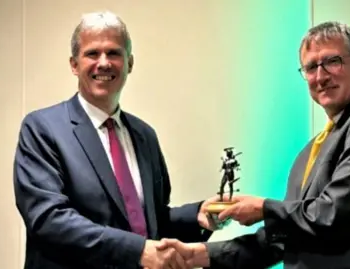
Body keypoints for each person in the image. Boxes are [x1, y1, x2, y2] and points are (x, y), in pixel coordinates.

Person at [157, 21, 350, 269]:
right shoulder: (310, 151)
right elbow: (283, 237)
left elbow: (334, 216)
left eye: (332, 61)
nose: (320, 76)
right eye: (310, 67)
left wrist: (263, 208)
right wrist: (197, 255)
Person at [13, 11, 222, 269]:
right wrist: (138, 251)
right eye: (92, 53)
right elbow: (48, 220)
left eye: (113, 53)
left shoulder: (145, 135)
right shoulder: (42, 129)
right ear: (74, 65)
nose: (104, 63)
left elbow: (147, 222)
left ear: (130, 63)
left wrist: (198, 215)